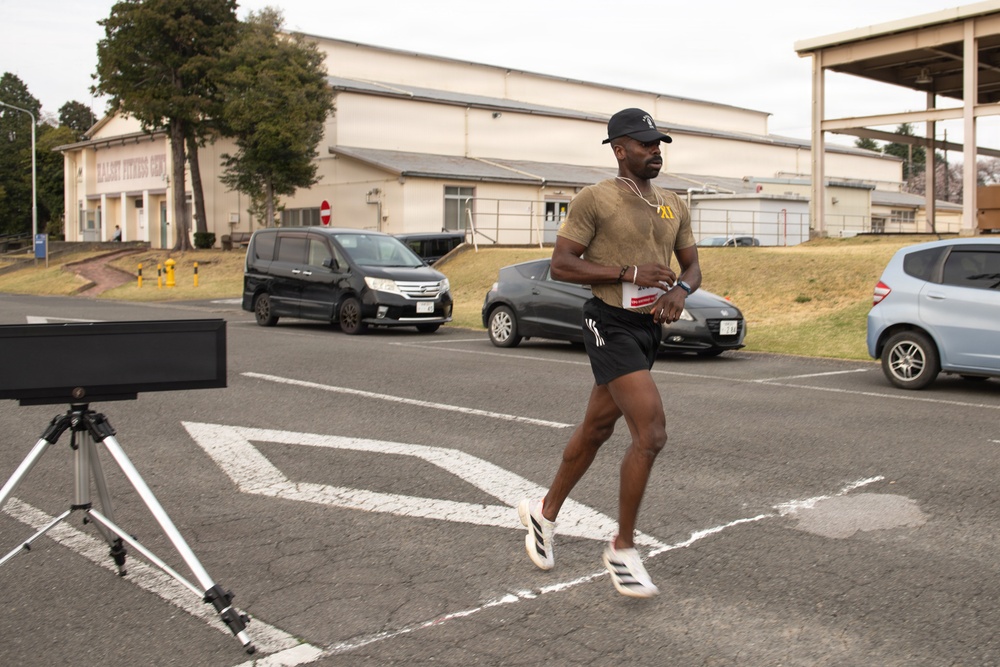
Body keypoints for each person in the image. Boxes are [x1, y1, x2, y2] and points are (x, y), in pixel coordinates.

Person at [518, 108, 701, 598]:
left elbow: (692, 266)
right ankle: (622, 547)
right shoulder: (594, 199)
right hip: (609, 323)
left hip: (647, 329)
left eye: (658, 143)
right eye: (645, 144)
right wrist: (628, 272)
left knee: (598, 427)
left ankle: (544, 512)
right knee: (651, 431)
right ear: (620, 149)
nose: (655, 151)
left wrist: (679, 292)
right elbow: (561, 265)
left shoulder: (672, 203)